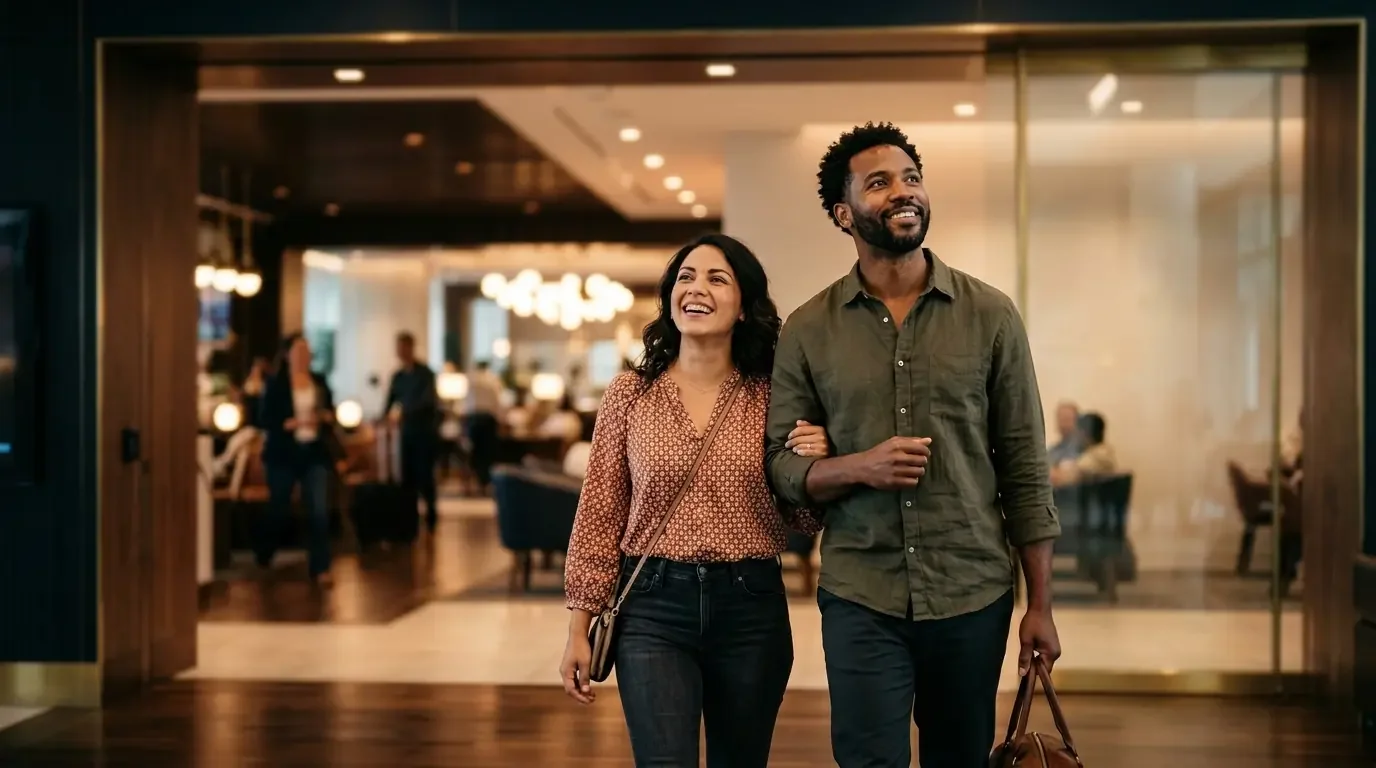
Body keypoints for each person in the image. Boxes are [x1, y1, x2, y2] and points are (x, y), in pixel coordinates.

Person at [765, 122, 1062, 768]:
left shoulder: (991, 315)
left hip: (971, 592)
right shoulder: (808, 330)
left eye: (911, 178)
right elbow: (782, 469)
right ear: (843, 214)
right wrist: (856, 467)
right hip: (860, 593)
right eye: (879, 183)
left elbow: (1024, 467)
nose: (903, 192)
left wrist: (1040, 604)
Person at [558, 233, 832, 767]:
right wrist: (577, 628)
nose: (696, 288)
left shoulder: (775, 396)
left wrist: (815, 462)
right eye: (685, 277)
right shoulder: (629, 394)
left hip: (751, 604)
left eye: (716, 278)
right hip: (652, 605)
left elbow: (804, 517)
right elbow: (598, 513)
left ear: (745, 307)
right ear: (669, 298)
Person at [256, 334, 337, 586]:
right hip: (284, 453)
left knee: (318, 510)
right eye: (298, 350)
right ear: (288, 354)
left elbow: (330, 412)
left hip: (313, 451)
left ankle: (320, 567)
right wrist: (285, 424)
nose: (303, 355)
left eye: (306, 350)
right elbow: (264, 418)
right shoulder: (276, 383)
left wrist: (323, 418)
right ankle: (265, 553)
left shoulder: (319, 382)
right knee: (278, 508)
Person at [385, 331, 440, 531]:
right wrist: (385, 419)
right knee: (407, 475)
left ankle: (431, 514)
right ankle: (410, 518)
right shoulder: (398, 377)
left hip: (424, 433)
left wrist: (405, 411)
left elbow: (428, 402)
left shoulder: (425, 374)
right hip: (406, 434)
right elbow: (389, 402)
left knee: (424, 474)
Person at [463, 359, 504, 492]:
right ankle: (484, 481)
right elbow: (497, 403)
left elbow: (466, 403)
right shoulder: (492, 380)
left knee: (474, 453)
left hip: (474, 419)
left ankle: (479, 481)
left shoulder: (471, 380)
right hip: (487, 420)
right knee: (487, 453)